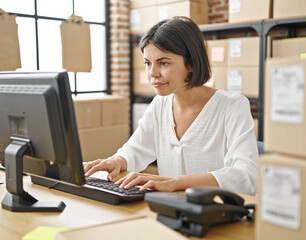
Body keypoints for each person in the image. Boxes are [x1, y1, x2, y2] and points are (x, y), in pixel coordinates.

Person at [84, 16, 258, 195]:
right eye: (148, 63)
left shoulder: (232, 106)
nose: (152, 74)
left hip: (218, 214)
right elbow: (138, 148)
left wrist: (174, 182)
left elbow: (246, 177)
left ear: (191, 63)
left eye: (163, 63)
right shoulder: (161, 103)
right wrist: (117, 161)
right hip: (171, 211)